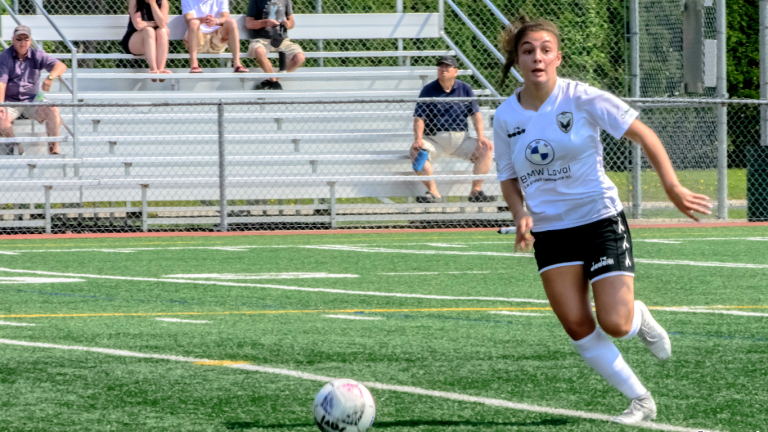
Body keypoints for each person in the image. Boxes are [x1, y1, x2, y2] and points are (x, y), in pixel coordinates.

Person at [494, 16, 712, 424]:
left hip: (599, 219)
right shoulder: (506, 116)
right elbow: (508, 176)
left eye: (545, 49)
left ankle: (638, 317)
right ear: (517, 60)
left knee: (615, 322)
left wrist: (672, 188)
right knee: (577, 323)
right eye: (527, 51)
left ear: (558, 56)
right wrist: (521, 213)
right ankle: (640, 400)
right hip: (551, 230)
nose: (537, 57)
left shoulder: (582, 98)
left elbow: (645, 134)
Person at [411, 56, 495, 203]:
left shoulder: (465, 89)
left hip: (461, 140)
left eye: (447, 67)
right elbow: (419, 118)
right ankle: (433, 192)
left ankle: (476, 191)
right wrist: (418, 139)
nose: (444, 69)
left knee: (486, 149)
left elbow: (476, 115)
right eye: (441, 66)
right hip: (435, 140)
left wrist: (481, 136)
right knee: (416, 154)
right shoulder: (428, 89)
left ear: (455, 71)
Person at [0, 25, 67, 156]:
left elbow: (61, 66)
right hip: (10, 101)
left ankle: (54, 151)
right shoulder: (4, 57)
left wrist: (51, 77)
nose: (22, 42)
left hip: (32, 100)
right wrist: (1, 104)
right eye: (19, 39)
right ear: (13, 40)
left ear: (30, 41)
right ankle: (17, 145)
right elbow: (1, 83)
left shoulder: (37, 54)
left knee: (53, 109)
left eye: (26, 39)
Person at [245, 0, 306, 90]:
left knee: (299, 57)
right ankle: (274, 82)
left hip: (282, 39)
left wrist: (287, 24)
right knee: (259, 51)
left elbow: (291, 21)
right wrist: (265, 23)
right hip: (261, 39)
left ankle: (272, 81)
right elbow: (249, 23)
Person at [182, 0, 249, 73]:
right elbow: (188, 19)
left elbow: (225, 17)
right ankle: (194, 65)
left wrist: (216, 21)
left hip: (217, 40)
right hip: (197, 39)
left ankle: (237, 64)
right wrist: (203, 20)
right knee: (193, 22)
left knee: (232, 22)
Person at [120, 0, 171, 80]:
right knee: (149, 30)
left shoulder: (163, 1)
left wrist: (153, 3)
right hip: (135, 40)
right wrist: (156, 23)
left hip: (155, 42)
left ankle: (160, 70)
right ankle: (153, 70)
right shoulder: (134, 1)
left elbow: (162, 25)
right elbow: (139, 25)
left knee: (162, 31)